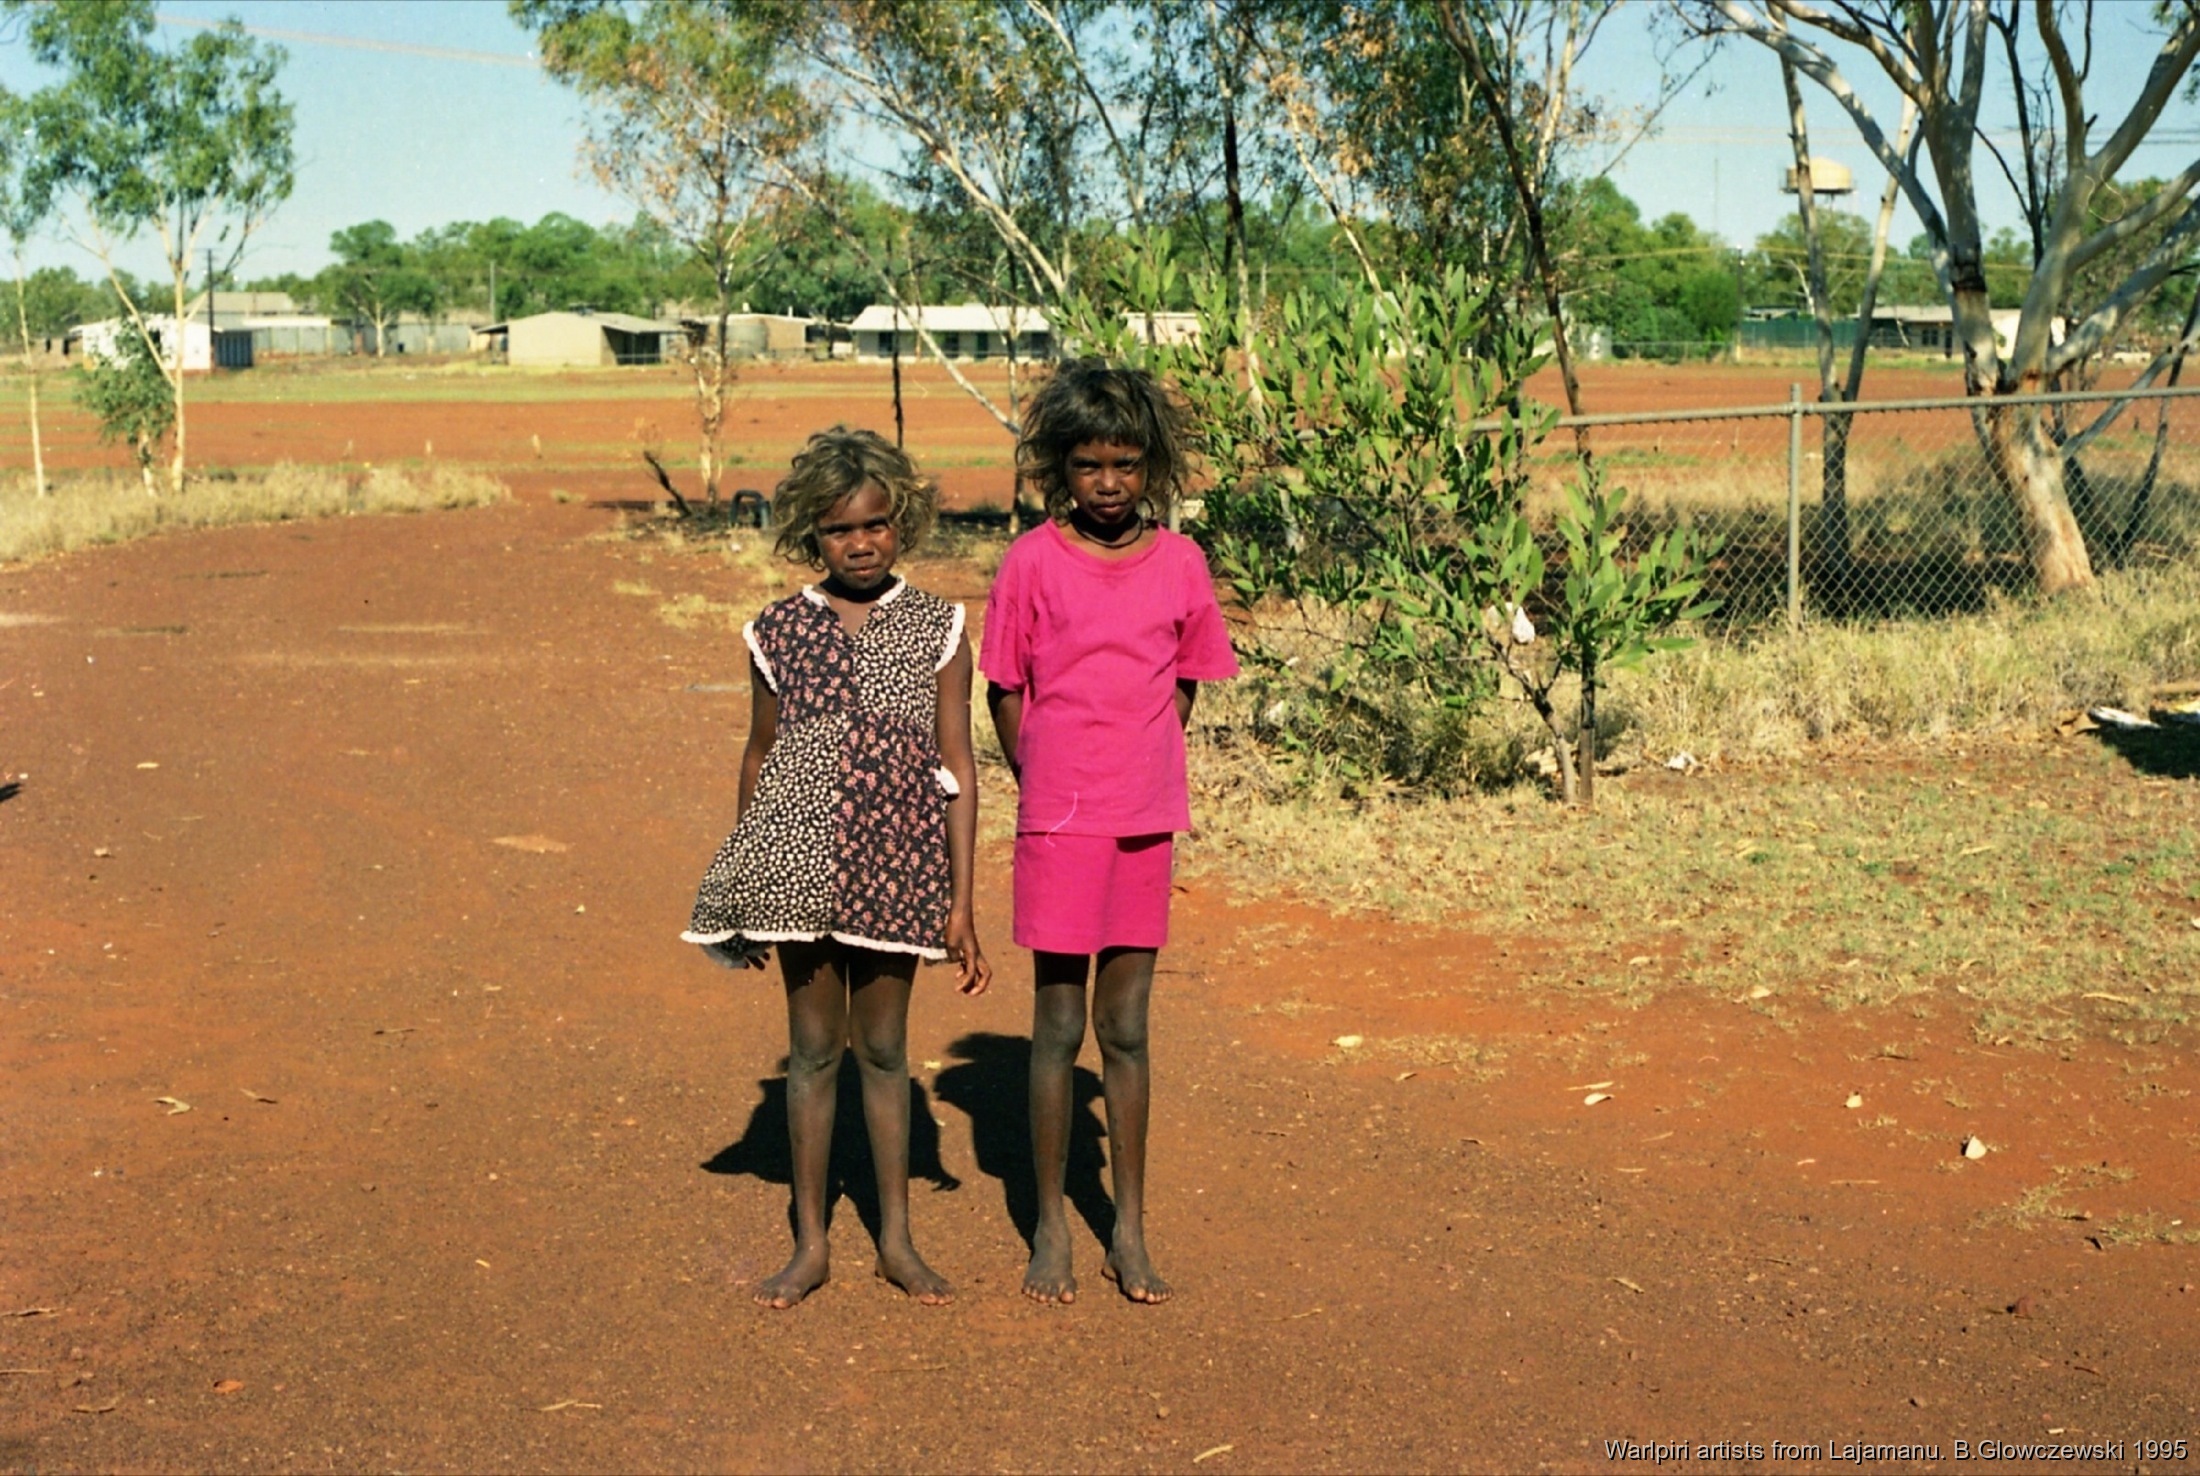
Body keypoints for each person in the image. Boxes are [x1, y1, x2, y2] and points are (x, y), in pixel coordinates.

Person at [683, 426, 991, 1309]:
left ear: (903, 522)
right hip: (797, 868)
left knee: (885, 1052)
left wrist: (962, 901)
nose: (861, 543)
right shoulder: (776, 630)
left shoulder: (939, 627)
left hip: (900, 864)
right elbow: (759, 754)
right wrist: (747, 881)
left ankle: (897, 1241)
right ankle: (811, 1245)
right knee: (815, 1053)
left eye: (876, 524)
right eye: (838, 529)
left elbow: (959, 765)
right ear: (810, 534)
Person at [981, 360, 1238, 1305]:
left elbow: (1186, 680)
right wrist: (1046, 775)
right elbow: (1005, 687)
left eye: (1126, 465)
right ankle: (1050, 1224)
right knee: (1057, 1025)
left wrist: (1137, 765)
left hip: (1143, 819)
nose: (1108, 484)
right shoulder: (1031, 562)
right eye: (1089, 465)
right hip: (1059, 821)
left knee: (1125, 1026)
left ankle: (1127, 1227)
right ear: (1060, 466)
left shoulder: (1181, 564)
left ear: (1152, 467)